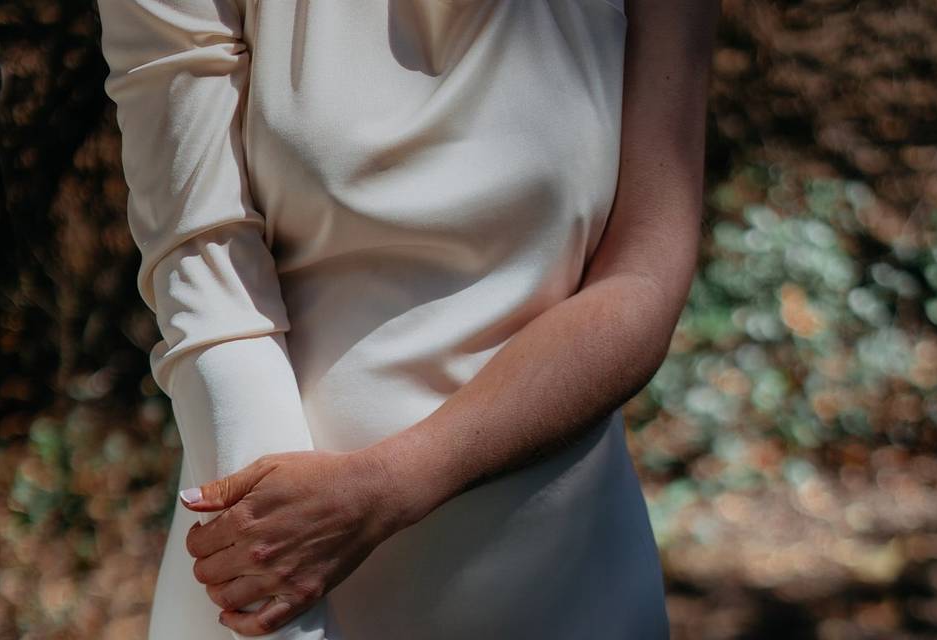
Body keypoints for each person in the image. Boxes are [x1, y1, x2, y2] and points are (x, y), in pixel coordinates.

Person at [97, 0, 718, 638]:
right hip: (274, 575)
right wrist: (284, 616)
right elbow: (205, 279)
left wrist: (390, 484)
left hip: (567, 583)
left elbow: (643, 279)